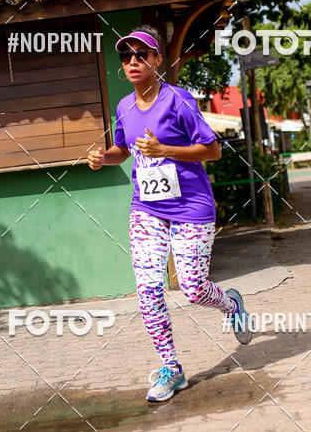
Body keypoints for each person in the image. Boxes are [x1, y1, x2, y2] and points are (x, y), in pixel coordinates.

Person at [87, 25, 252, 403]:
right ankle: (171, 368)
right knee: (147, 289)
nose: (132, 61)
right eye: (126, 56)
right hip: (147, 209)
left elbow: (212, 150)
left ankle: (230, 304)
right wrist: (101, 158)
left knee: (193, 289)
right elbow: (122, 150)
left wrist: (165, 150)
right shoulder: (124, 107)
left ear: (157, 59)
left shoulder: (178, 100)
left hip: (191, 207)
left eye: (141, 54)